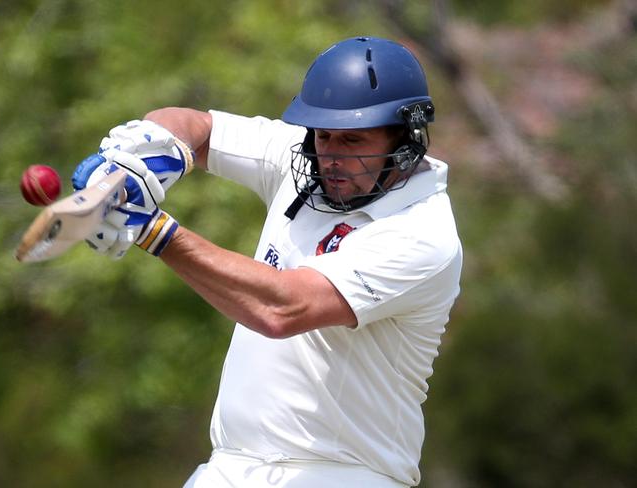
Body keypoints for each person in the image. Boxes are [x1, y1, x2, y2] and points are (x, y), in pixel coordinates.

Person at [72, 36, 463, 488]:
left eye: (352, 139)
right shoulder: (309, 159)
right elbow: (196, 125)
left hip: (344, 475)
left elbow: (283, 309)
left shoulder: (423, 234)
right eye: (324, 136)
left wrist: (152, 229)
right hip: (230, 467)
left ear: (405, 138)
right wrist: (140, 160)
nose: (331, 156)